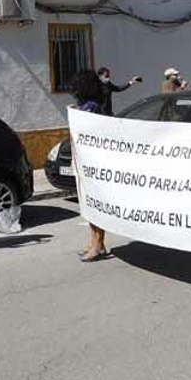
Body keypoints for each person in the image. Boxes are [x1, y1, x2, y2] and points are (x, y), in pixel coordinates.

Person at [70, 70, 113, 262]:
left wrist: (76, 113)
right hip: (87, 162)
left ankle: (98, 244)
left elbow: (87, 128)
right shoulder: (87, 106)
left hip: (95, 162)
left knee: (95, 204)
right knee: (90, 204)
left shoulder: (92, 107)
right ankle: (95, 242)